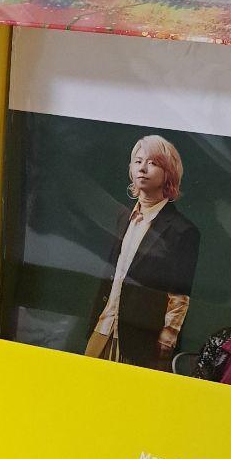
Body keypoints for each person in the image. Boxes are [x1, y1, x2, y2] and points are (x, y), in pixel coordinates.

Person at [86, 135, 200, 371]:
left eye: (153, 163)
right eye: (138, 161)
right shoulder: (124, 218)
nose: (142, 168)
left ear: (168, 172)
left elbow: (180, 292)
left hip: (141, 336)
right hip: (104, 324)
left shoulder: (182, 230)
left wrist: (169, 333)